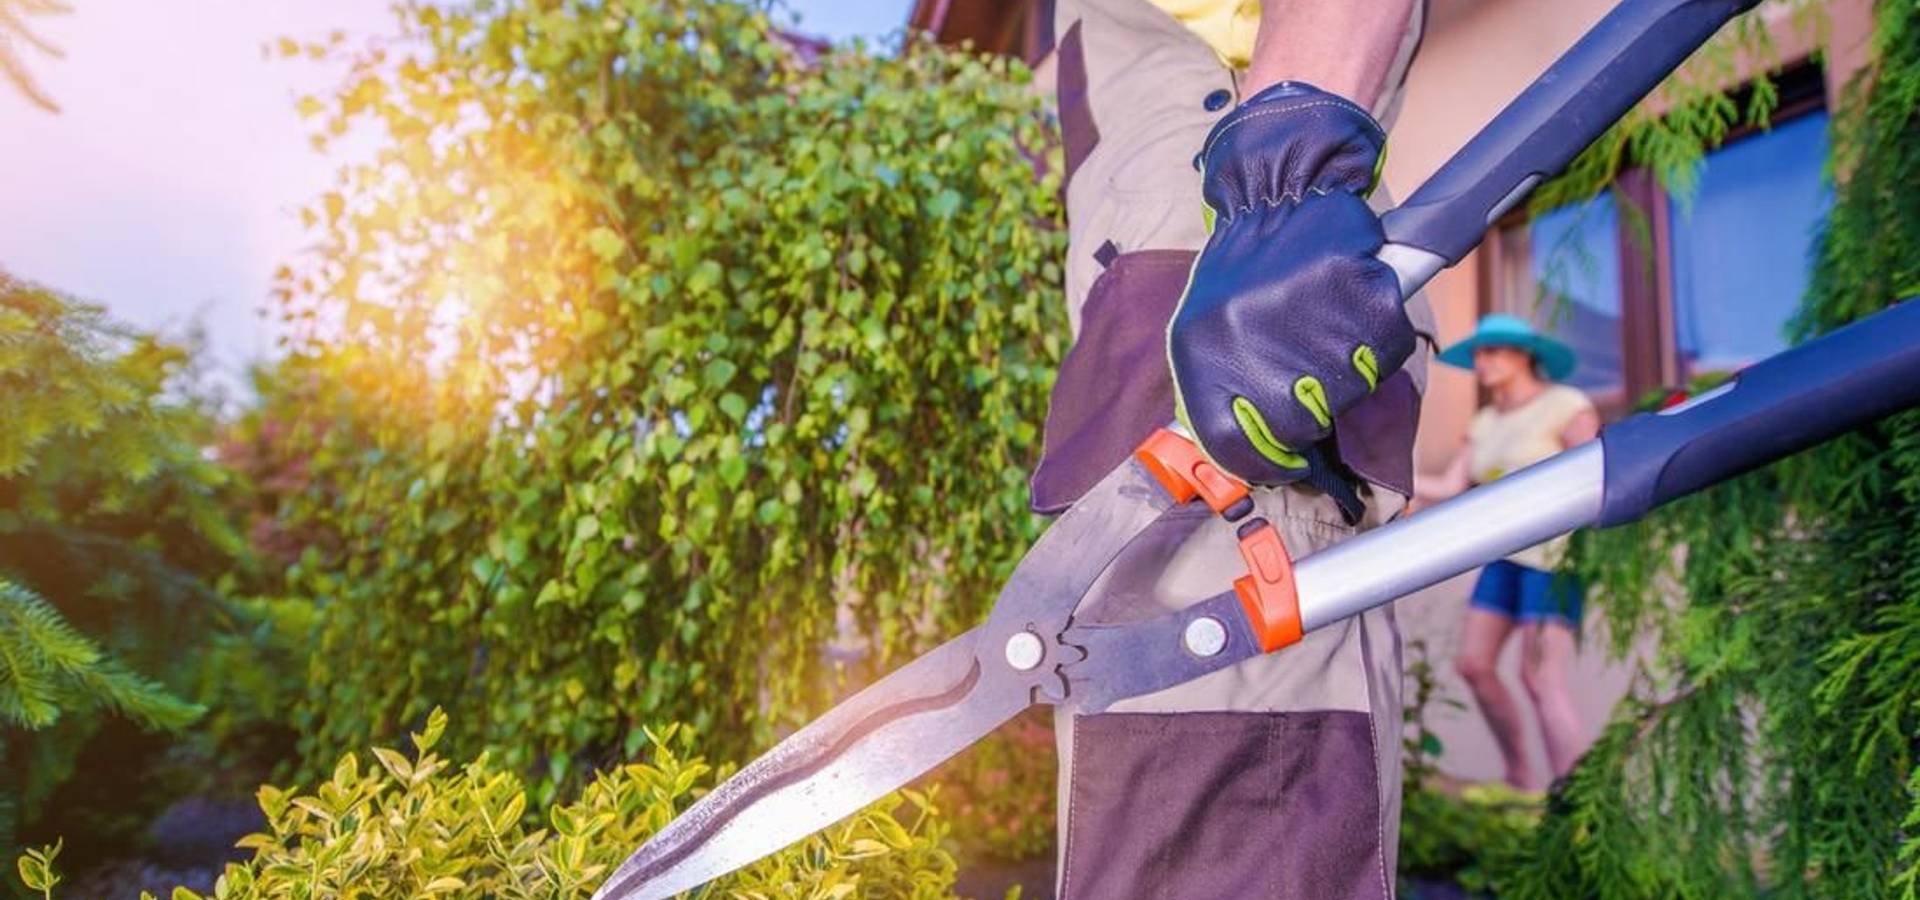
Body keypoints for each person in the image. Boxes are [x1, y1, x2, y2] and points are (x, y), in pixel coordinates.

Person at [1026, 1, 1436, 896]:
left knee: (1210, 818)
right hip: (1166, 304)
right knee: (1140, 812)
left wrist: (1281, 191)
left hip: (1223, 281)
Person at [1416, 314, 1600, 788]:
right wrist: (1388, 481)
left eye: (1494, 350)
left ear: (1526, 356)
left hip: (1554, 558)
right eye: (1479, 352)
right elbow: (1452, 484)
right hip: (1505, 554)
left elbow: (1594, 473)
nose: (1483, 361)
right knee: (1474, 666)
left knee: (1541, 679)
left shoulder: (1566, 405)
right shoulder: (1484, 422)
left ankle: (1573, 798)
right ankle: (1519, 775)